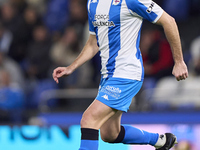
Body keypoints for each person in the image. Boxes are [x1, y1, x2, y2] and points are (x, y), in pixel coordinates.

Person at [52, 0, 188, 150]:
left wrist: (179, 61)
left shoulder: (132, 1)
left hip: (127, 73)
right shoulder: (93, 3)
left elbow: (169, 21)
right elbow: (93, 42)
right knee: (110, 133)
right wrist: (71, 67)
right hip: (107, 76)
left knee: (89, 119)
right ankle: (161, 141)